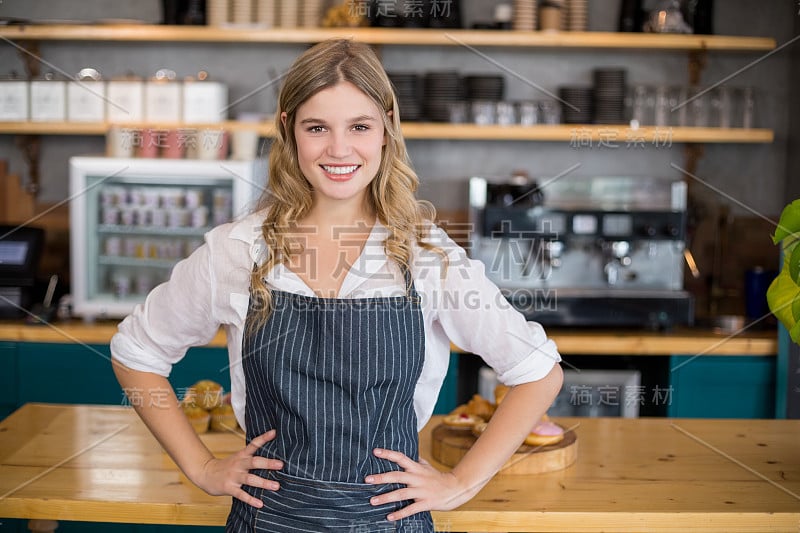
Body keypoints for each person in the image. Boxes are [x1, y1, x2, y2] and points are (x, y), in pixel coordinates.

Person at [111, 39, 563, 532]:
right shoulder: (237, 251)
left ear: (388, 128)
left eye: (360, 127)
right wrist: (201, 467)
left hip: (389, 523)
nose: (339, 149)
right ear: (288, 129)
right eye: (317, 128)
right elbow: (137, 353)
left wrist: (459, 483)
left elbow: (538, 373)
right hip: (269, 523)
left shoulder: (427, 256)